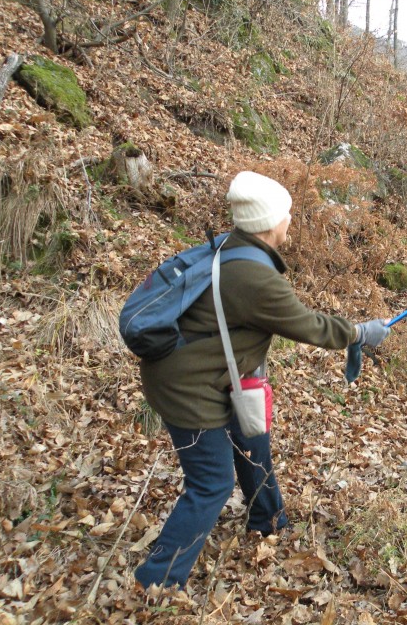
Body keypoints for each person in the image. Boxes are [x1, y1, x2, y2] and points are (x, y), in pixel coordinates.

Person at [134, 171, 390, 590]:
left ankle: (268, 520)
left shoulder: (235, 247)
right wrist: (361, 333)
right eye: (287, 214)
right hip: (186, 387)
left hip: (209, 373)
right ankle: (157, 581)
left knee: (251, 437)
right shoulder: (254, 278)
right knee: (211, 484)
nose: (291, 219)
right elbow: (309, 326)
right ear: (272, 223)